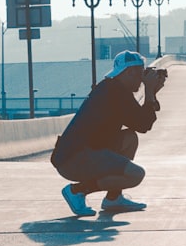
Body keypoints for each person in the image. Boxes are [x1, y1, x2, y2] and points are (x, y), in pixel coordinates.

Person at [50, 50, 166, 216]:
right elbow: (143, 124)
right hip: (74, 159)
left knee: (129, 138)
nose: (142, 80)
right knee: (136, 175)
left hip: (83, 151)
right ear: (129, 72)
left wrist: (151, 93)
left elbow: (140, 123)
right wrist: (149, 92)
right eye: (141, 73)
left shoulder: (113, 88)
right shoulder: (115, 92)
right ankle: (78, 190)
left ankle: (114, 198)